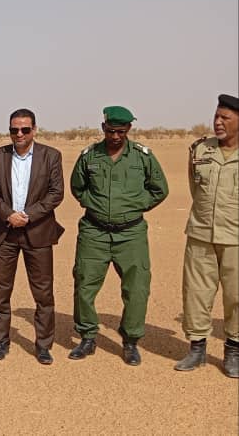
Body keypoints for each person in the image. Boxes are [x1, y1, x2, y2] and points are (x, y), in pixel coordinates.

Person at [69, 105, 169, 366]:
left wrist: (136, 206)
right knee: (84, 284)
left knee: (137, 289)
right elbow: (77, 187)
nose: (115, 136)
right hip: (94, 232)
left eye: (121, 132)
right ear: (103, 128)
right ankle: (87, 336)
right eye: (111, 131)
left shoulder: (142, 157)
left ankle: (130, 340)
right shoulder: (89, 156)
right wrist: (93, 204)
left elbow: (159, 189)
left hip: (131, 233)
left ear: (129, 129)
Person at [0, 108, 65, 364]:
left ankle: (43, 345)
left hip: (37, 233)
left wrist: (28, 215)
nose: (19, 134)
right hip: (5, 233)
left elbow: (56, 192)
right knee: (0, 291)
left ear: (34, 130)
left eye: (25, 129)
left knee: (43, 293)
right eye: (14, 130)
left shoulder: (51, 156)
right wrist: (8, 214)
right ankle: (1, 341)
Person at [174, 94, 239, 378]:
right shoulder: (200, 150)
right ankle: (197, 348)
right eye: (216, 116)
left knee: (236, 296)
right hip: (201, 234)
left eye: (225, 118)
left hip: (236, 238)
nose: (218, 122)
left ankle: (233, 350)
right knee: (196, 293)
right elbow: (195, 188)